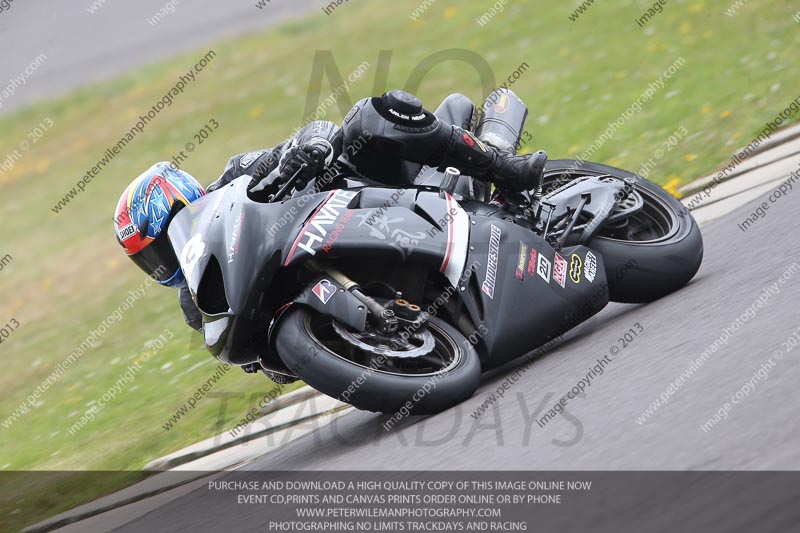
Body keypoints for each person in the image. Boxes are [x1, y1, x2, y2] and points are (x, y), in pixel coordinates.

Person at [113, 89, 547, 335]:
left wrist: (310, 150)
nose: (164, 260)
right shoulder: (200, 302)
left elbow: (311, 132)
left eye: (162, 243)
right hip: (338, 263)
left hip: (369, 192)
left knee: (371, 116)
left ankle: (504, 167)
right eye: (149, 259)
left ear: (183, 199)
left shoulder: (234, 179)